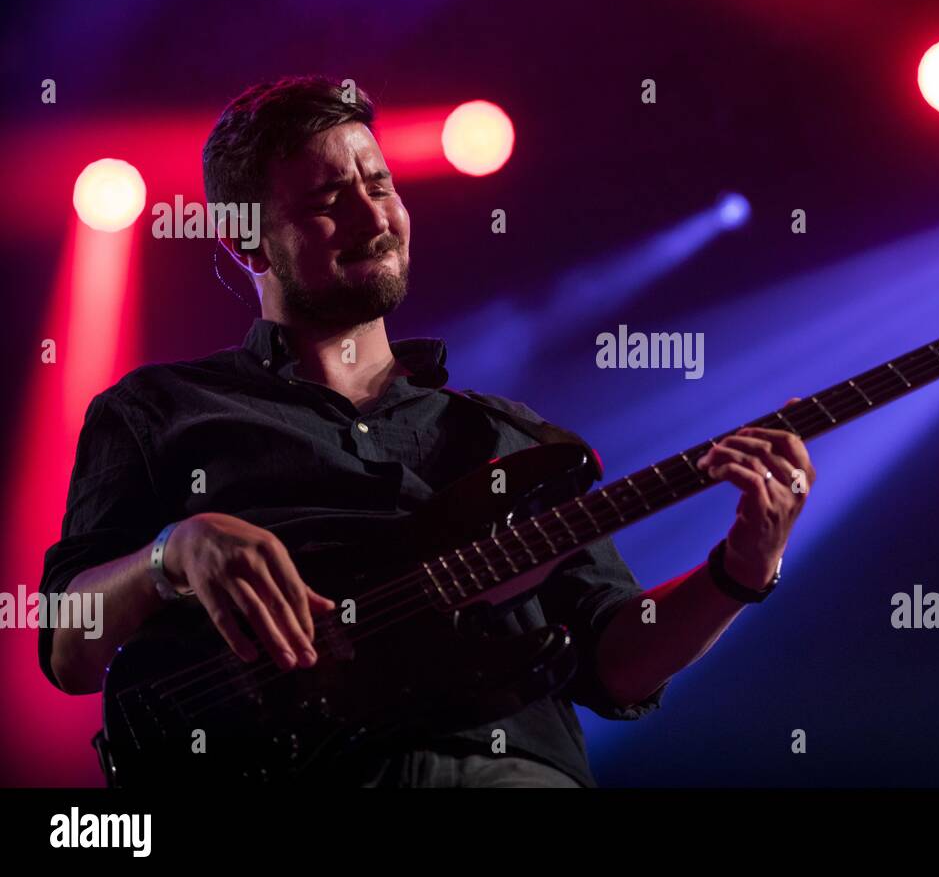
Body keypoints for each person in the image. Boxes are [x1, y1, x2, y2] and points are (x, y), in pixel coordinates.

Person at [38, 76, 816, 787]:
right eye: (328, 200)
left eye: (380, 185)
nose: (373, 216)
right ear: (246, 238)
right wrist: (172, 554)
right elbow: (68, 650)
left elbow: (617, 664)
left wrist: (741, 570)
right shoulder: (161, 409)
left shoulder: (516, 441)